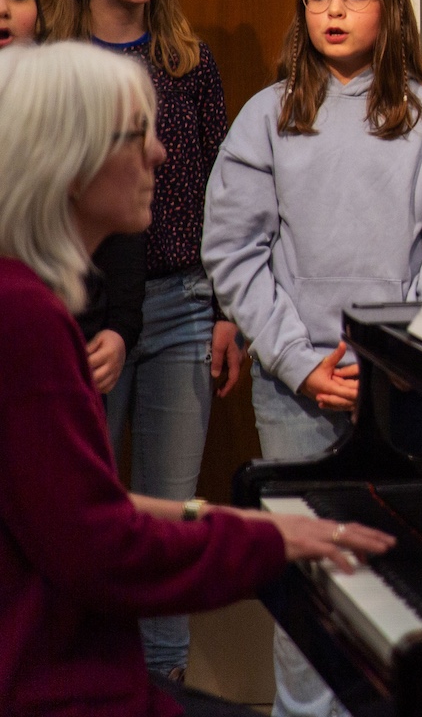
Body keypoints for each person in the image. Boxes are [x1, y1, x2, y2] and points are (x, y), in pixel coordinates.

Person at [0, 40, 392, 717]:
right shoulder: (23, 318)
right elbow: (100, 549)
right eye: (136, 135)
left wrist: (213, 517)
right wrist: (268, 541)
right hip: (55, 689)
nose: (159, 153)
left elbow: (79, 505)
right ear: (67, 162)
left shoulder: (24, 299)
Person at [201, 0, 422, 717]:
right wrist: (298, 361)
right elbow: (233, 250)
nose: (334, 9)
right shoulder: (269, 116)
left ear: (389, 8)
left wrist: (392, 357)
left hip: (401, 389)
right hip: (295, 390)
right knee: (310, 584)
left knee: (402, 577)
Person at [34, 0, 246, 684]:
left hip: (185, 307)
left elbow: (224, 189)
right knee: (82, 516)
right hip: (86, 322)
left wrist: (225, 308)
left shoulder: (189, 64)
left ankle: (163, 685)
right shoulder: (53, 67)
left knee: (170, 520)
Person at [0, 0, 147, 408]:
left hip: (75, 330)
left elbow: (119, 221)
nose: (3, 9)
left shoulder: (69, 96)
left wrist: (120, 328)